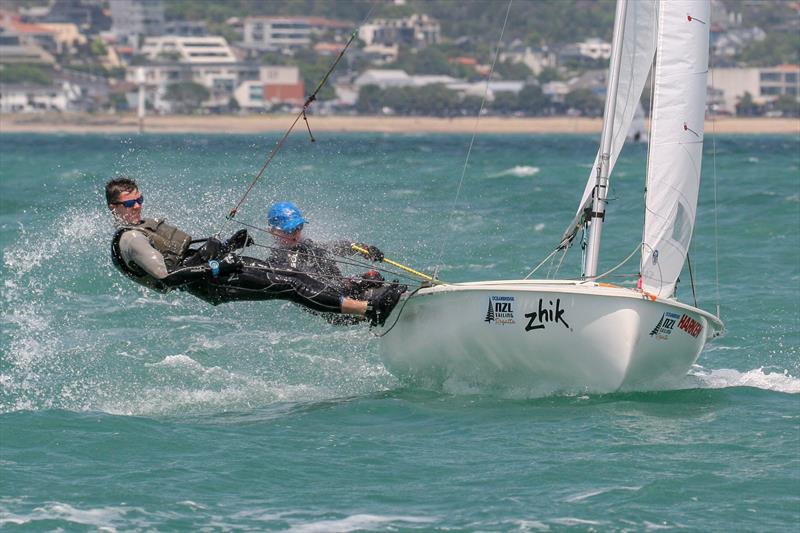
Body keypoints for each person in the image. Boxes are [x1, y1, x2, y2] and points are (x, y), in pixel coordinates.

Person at [106, 177, 405, 325]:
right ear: (114, 209)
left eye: (138, 200)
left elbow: (186, 254)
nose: (136, 207)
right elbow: (168, 277)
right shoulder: (131, 239)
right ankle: (369, 310)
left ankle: (361, 298)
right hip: (212, 281)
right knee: (290, 284)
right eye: (129, 204)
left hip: (217, 270)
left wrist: (226, 247)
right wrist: (215, 267)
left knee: (287, 276)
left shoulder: (145, 227)